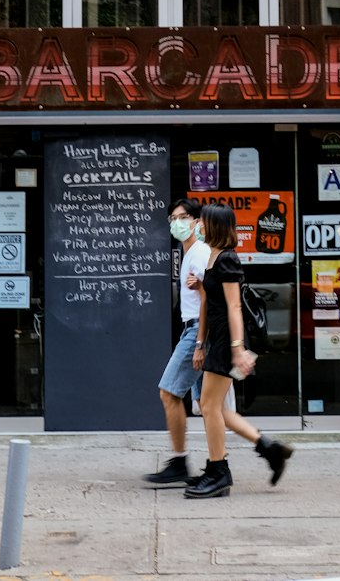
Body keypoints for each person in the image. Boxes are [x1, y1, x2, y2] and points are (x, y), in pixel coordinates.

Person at [185, 202, 293, 499]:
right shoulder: (212, 257)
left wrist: (236, 348)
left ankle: (219, 471)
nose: (198, 225)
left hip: (227, 342)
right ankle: (270, 450)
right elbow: (208, 303)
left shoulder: (228, 260)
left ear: (214, 226)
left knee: (208, 407)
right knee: (215, 408)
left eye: (202, 222)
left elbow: (233, 306)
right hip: (216, 339)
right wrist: (199, 343)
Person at [143, 197, 210, 487]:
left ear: (196, 221)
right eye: (173, 219)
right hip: (194, 331)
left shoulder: (199, 252)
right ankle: (265, 449)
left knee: (169, 393)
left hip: (197, 333)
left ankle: (181, 462)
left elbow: (217, 295)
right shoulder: (190, 252)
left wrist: (199, 343)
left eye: (183, 217)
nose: (177, 223)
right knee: (209, 405)